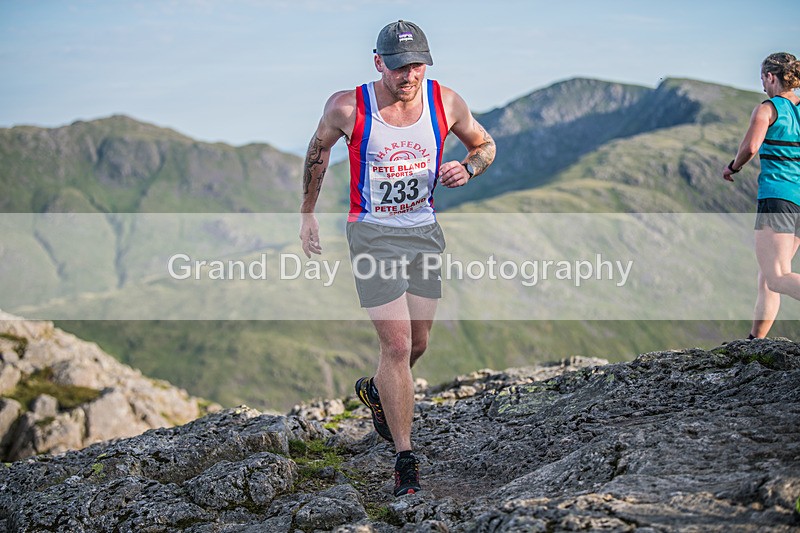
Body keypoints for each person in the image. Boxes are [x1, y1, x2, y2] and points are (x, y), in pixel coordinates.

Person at [299, 20, 495, 496]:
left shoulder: (445, 101)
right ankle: (405, 460)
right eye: (400, 65)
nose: (409, 74)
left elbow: (485, 144)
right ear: (378, 63)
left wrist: (468, 168)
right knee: (397, 345)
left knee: (418, 344)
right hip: (372, 235)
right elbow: (318, 150)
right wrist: (307, 213)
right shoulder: (348, 106)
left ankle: (374, 392)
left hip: (423, 232)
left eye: (417, 64)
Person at [723, 52, 800, 339]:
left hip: (778, 196)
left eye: (763, 80)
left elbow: (751, 147)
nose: (762, 87)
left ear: (771, 76)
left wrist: (733, 167)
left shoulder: (767, 109)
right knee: (769, 277)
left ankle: (755, 341)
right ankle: (755, 341)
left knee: (777, 276)